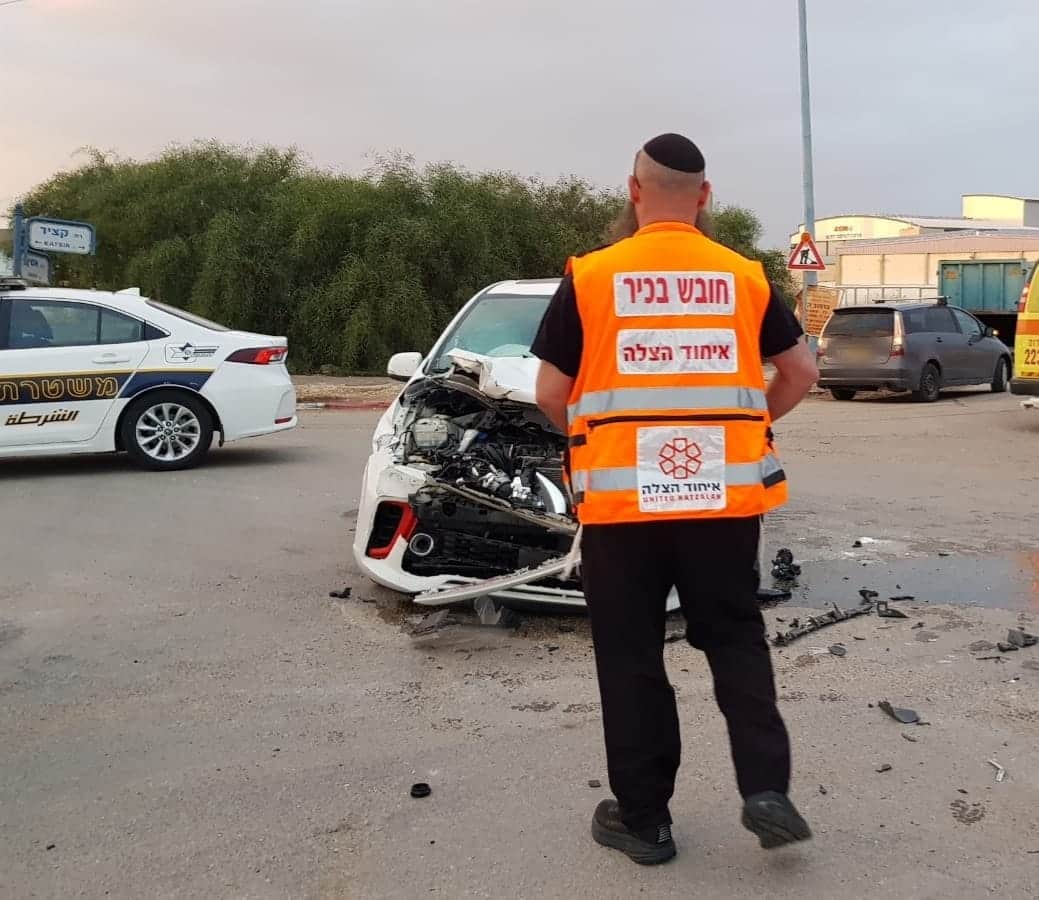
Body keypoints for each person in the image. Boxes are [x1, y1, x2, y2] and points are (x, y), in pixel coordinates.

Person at [531, 133, 819, 866]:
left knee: (630, 657)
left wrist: (603, 438)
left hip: (623, 510)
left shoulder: (593, 275)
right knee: (734, 638)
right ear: (704, 195)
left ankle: (645, 823)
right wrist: (743, 427)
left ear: (633, 191)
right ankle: (766, 788)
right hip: (720, 503)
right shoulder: (742, 276)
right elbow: (799, 373)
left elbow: (552, 393)